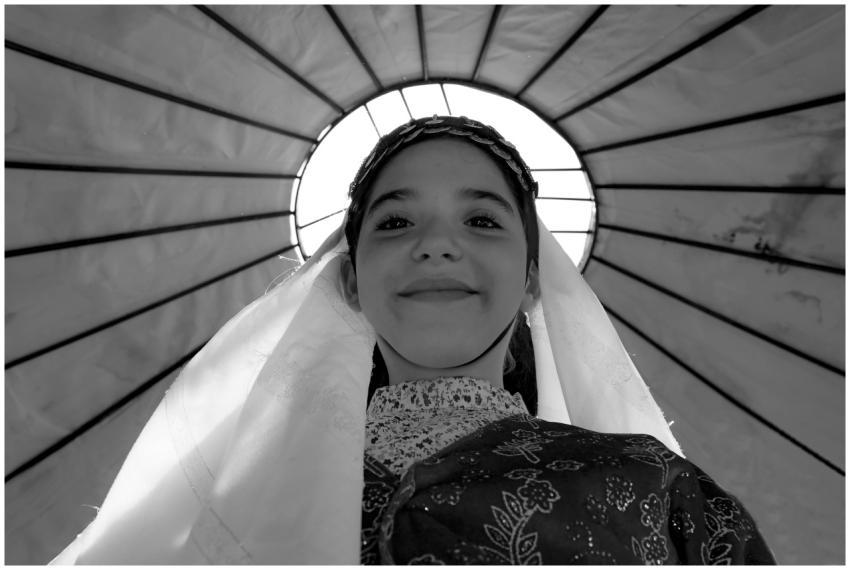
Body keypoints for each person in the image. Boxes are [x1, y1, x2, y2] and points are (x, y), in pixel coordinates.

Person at [52, 116, 774, 564]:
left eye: (482, 221)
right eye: (396, 222)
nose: (436, 245)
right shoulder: (222, 514)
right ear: (350, 282)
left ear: (531, 280)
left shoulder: (656, 486)